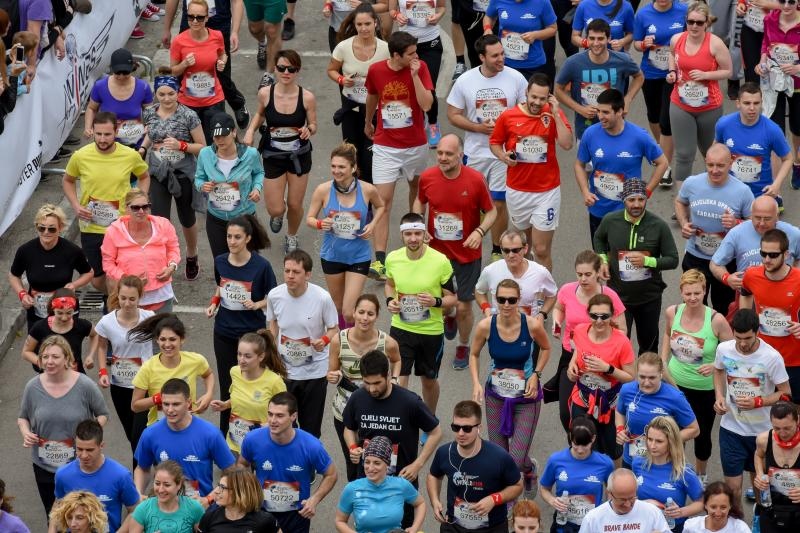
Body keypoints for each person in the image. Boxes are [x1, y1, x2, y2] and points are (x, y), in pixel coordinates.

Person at [413, 134, 497, 368]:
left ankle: (463, 344)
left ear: (461, 154)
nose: (443, 158)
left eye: (449, 154)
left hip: (467, 254)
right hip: (437, 254)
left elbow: (491, 212)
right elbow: (419, 202)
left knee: (463, 305)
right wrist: (420, 224)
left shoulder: (475, 180)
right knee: (444, 302)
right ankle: (448, 316)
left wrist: (479, 232)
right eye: (439, 153)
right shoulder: (428, 177)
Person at [446, 34, 528, 257]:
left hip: (503, 153)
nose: (501, 58)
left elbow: (526, 112)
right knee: (470, 202)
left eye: (502, 53)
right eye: (495, 56)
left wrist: (508, 128)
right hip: (476, 153)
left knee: (499, 204)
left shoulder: (516, 78)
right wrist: (478, 128)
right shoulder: (466, 81)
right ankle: (467, 247)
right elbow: (453, 114)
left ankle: (495, 251)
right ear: (482, 57)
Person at [342, 350, 442, 529]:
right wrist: (352, 447)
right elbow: (349, 428)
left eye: (377, 383)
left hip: (401, 479)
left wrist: (417, 465)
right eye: (367, 383)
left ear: (388, 375)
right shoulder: (358, 397)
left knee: (403, 526)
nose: (372, 389)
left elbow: (436, 432)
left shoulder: (409, 401)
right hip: (368, 477)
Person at [469, 279, 551, 494]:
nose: (506, 304)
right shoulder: (486, 326)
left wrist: (536, 375)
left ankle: (525, 473)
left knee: (515, 458)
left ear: (519, 300)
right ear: (496, 299)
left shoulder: (531, 324)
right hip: (496, 395)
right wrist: (476, 382)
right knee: (499, 454)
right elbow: (474, 353)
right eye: (501, 299)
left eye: (511, 300)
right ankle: (513, 494)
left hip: (526, 397)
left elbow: (546, 348)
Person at [364, 31, 434, 280]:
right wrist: (368, 121)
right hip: (386, 146)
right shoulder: (376, 71)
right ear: (396, 55)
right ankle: (380, 261)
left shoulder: (421, 68)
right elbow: (372, 95)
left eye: (416, 52)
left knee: (417, 192)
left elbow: (426, 104)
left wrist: (415, 75)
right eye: (411, 54)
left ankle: (415, 244)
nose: (416, 56)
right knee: (383, 201)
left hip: (416, 145)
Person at [488, 73, 573, 270]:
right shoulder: (508, 116)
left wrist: (556, 112)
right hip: (518, 191)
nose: (537, 102)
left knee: (541, 249)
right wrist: (503, 156)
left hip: (547, 192)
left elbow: (567, 144)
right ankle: (527, 287)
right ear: (526, 93)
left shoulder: (552, 113)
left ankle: (545, 296)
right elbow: (494, 142)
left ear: (549, 97)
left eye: (542, 98)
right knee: (523, 247)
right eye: (533, 97)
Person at [17, 335, 109, 516]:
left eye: (55, 357)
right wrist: (26, 432)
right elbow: (23, 418)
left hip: (79, 463)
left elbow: (103, 414)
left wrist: (88, 436)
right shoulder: (32, 387)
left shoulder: (84, 384)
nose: (49, 361)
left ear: (67, 358)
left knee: (80, 514)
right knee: (53, 515)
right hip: (44, 464)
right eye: (45, 357)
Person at [62, 111, 150, 295]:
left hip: (122, 225)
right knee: (97, 279)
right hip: (91, 226)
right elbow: (68, 180)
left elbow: (144, 176)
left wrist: (139, 202)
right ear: (92, 131)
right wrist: (76, 206)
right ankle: (119, 300)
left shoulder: (130, 155)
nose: (102, 139)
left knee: (119, 273)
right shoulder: (80, 156)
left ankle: (118, 309)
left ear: (116, 132)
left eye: (107, 134)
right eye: (98, 134)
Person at [205, 215, 277, 437]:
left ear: (248, 238)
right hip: (224, 331)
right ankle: (227, 436)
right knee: (229, 384)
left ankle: (258, 433)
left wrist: (257, 303)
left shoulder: (261, 266)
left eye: (237, 237)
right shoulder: (220, 261)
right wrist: (214, 304)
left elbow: (273, 297)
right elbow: (221, 286)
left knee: (252, 383)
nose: (232, 241)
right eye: (229, 236)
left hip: (250, 335)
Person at [660, 269, 733, 482]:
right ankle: (676, 471)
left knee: (701, 435)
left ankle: (700, 475)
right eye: (688, 293)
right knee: (674, 431)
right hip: (674, 384)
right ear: (681, 292)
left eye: (697, 293)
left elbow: (732, 354)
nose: (692, 298)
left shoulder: (716, 320)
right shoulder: (673, 312)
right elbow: (667, 334)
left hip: (704, 389)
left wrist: (714, 365)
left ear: (704, 291)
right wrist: (663, 360)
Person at [713, 308, 791, 507]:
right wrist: (720, 396)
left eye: (747, 337)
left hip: (762, 433)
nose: (743, 343)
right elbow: (718, 370)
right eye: (738, 337)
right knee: (733, 489)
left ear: (757, 332)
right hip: (731, 429)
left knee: (760, 485)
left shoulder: (771, 357)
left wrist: (759, 402)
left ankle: (759, 520)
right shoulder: (724, 349)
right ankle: (737, 525)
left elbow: (786, 393)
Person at [594, 178, 679, 354]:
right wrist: (602, 260)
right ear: (623, 199)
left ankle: (647, 380)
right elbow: (599, 238)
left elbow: (673, 259)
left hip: (649, 298)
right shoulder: (611, 221)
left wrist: (647, 261)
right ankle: (621, 380)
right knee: (617, 345)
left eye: (641, 199)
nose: (637, 204)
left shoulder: (658, 226)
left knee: (648, 347)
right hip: (619, 297)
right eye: (631, 199)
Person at [244, 49, 317, 253]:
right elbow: (259, 114)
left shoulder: (307, 97)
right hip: (273, 154)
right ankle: (278, 213)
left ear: (297, 71)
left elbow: (314, 124)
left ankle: (291, 236)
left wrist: (308, 129)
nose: (286, 72)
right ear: (275, 69)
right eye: (282, 68)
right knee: (275, 208)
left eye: (291, 69)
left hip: (298, 155)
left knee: (295, 204)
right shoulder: (265, 93)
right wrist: (250, 131)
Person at [306, 142, 386, 328]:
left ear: (354, 168)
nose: (336, 170)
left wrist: (372, 224)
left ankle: (352, 339)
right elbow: (309, 218)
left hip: (358, 256)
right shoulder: (323, 190)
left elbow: (381, 206)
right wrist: (320, 223)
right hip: (332, 255)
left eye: (341, 167)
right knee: (338, 306)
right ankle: (343, 344)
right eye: (333, 166)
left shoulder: (367, 190)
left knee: (349, 311)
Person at [384, 212, 456, 414]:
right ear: (402, 235)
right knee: (398, 378)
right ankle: (401, 421)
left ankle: (429, 418)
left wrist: (435, 301)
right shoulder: (393, 259)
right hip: (401, 327)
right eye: (408, 234)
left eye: (417, 233)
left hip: (430, 331)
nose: (413, 238)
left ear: (425, 234)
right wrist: (390, 301)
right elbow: (389, 285)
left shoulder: (440, 261)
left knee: (429, 380)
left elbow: (452, 298)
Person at [548, 249, 626, 433]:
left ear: (598, 273)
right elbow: (558, 308)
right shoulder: (567, 290)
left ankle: (595, 447)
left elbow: (623, 330)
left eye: (588, 274)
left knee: (599, 411)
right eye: (579, 274)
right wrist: (557, 320)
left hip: (601, 360)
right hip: (571, 356)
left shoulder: (610, 296)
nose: (583, 279)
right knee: (567, 413)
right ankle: (577, 445)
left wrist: (604, 342)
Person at [238, 392, 338, 533]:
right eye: (270, 414)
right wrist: (247, 490)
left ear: (293, 416)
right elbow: (242, 464)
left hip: (296, 515)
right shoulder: (253, 439)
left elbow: (331, 474)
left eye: (279, 415)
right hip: (261, 511)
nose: (273, 420)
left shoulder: (311, 446)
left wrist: (314, 500)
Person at [575, 88, 668, 240]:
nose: (600, 116)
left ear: (619, 111)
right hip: (599, 209)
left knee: (625, 260)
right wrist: (585, 191)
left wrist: (648, 191)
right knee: (602, 259)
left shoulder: (639, 136)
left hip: (628, 211)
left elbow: (662, 163)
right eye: (599, 111)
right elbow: (579, 164)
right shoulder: (590, 134)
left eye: (606, 112)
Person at [327, 294, 402, 481]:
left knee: (376, 459)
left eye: (370, 313)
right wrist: (333, 375)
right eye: (361, 312)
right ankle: (357, 501)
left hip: (375, 409)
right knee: (353, 459)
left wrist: (393, 379)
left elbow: (397, 359)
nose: (364, 318)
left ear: (377, 316)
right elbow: (332, 371)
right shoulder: (339, 340)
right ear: (353, 313)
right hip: (344, 408)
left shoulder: (386, 342)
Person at [140, 72, 206, 279]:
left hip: (183, 172)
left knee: (187, 218)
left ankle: (192, 253)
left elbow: (203, 147)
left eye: (171, 93)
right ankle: (163, 260)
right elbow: (150, 135)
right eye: (162, 94)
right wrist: (143, 148)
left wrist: (182, 145)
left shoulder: (189, 115)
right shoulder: (149, 113)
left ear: (178, 92)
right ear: (155, 94)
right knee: (159, 220)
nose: (166, 98)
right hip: (158, 171)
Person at [266, 249, 338, 438]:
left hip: (314, 372)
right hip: (285, 371)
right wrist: (270, 347)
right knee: (284, 424)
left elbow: (333, 328)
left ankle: (309, 465)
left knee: (311, 429)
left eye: (296, 272)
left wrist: (323, 341)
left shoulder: (322, 298)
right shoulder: (274, 295)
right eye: (287, 271)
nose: (290, 276)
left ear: (307, 274)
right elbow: (273, 323)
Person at [674, 143, 754, 314]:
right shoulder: (692, 183)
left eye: (720, 165)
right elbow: (680, 201)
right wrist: (684, 222)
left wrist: (736, 223)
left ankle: (722, 341)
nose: (715, 170)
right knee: (693, 307)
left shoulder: (742, 191)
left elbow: (754, 223)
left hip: (726, 261)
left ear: (731, 162)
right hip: (695, 258)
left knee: (724, 310)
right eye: (710, 165)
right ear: (705, 162)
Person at [427, 400, 523, 532]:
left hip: (492, 527)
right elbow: (434, 475)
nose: (460, 433)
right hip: (454, 525)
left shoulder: (499, 457)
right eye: (456, 427)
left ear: (479, 428)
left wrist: (494, 499)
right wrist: (435, 500)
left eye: (467, 428)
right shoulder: (444, 452)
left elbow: (517, 486)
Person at [134, 379, 236, 500]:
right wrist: (138, 493)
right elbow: (142, 469)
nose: (170, 410)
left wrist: (209, 499)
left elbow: (231, 472)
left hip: (200, 510)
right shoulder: (150, 434)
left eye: (176, 404)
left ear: (188, 403)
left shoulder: (210, 434)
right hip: (164, 508)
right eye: (166, 404)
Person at [666, 1, 732, 185]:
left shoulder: (716, 44)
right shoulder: (676, 39)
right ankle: (682, 203)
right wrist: (672, 72)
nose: (694, 26)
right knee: (684, 154)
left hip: (709, 107)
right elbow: (672, 55)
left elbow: (728, 71)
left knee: (710, 154)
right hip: (680, 104)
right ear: (686, 21)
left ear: (707, 24)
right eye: (690, 21)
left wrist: (706, 74)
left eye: (699, 23)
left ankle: (710, 194)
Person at [161, 0, 251, 131]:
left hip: (219, 21)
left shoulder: (217, 35)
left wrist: (235, 31)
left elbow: (237, 2)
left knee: (221, 76)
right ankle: (188, 117)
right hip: (192, 18)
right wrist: (166, 29)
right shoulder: (185, 31)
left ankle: (237, 103)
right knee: (183, 75)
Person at [567, 294, 635, 461]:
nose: (598, 321)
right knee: (583, 443)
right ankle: (589, 483)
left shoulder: (621, 341)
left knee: (613, 451)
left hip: (609, 403)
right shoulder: (580, 330)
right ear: (588, 314)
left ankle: (614, 485)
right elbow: (577, 351)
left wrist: (608, 368)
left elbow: (631, 377)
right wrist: (572, 366)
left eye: (604, 316)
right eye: (594, 316)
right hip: (582, 398)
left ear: (612, 316)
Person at [327, 4, 391, 184]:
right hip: (351, 109)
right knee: (351, 156)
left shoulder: (386, 49)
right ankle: (353, 198)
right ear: (354, 25)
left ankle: (369, 201)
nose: (364, 28)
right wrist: (341, 80)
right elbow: (331, 70)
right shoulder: (343, 47)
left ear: (376, 24)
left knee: (370, 157)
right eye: (360, 24)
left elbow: (394, 74)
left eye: (368, 24)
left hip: (377, 111)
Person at [94, 275, 155, 456]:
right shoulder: (107, 322)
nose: (127, 303)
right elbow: (102, 346)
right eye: (123, 298)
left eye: (132, 299)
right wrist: (103, 371)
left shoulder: (149, 318)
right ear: (117, 296)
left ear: (140, 298)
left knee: (139, 436)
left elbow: (164, 341)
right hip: (120, 386)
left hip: (145, 386)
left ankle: (140, 477)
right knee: (131, 435)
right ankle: (146, 464)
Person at [555, 19, 643, 142]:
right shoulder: (573, 63)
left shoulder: (622, 60)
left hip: (615, 128)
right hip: (585, 129)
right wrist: (580, 109)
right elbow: (558, 90)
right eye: (592, 38)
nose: (596, 43)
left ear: (608, 38)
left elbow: (639, 76)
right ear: (587, 39)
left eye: (600, 39)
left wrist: (627, 99)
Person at [8, 203, 92, 332]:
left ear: (61, 228)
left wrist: (74, 285)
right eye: (42, 228)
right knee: (39, 349)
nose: (46, 232)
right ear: (37, 227)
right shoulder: (26, 250)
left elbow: (88, 273)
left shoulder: (71, 250)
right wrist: (22, 294)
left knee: (67, 349)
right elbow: (14, 275)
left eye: (52, 229)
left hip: (65, 312)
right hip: (37, 313)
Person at [195, 111, 264, 262]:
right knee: (221, 262)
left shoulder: (250, 154)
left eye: (223, 135)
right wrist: (202, 186)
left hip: (244, 217)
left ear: (233, 132)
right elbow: (199, 178)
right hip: (216, 219)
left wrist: (257, 188)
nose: (219, 140)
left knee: (250, 262)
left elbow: (258, 172)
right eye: (215, 136)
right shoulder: (205, 154)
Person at [740, 229, 800, 403]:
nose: (767, 259)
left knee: (792, 413)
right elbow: (745, 292)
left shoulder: (798, 279)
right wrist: (746, 318)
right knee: (761, 408)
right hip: (761, 356)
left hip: (793, 361)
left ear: (786, 254)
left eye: (773, 255)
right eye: (763, 254)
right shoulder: (752, 275)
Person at [101, 188, 181, 312]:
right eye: (135, 208)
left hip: (161, 296)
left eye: (145, 206)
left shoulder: (164, 225)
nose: (141, 211)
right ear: (126, 208)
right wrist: (130, 281)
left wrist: (172, 267)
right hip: (129, 297)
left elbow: (173, 249)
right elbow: (108, 264)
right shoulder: (113, 231)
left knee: (161, 331)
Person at [209, 330, 287, 455]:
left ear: (261, 356)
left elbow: (286, 413)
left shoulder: (274, 381)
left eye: (247, 356)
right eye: (239, 354)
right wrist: (226, 405)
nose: (241, 360)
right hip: (235, 444)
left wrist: (268, 425)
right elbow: (240, 398)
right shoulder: (234, 372)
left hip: (263, 445)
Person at [53, 420, 139, 533]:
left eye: (89, 450)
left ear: (101, 445)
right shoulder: (63, 474)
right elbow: (58, 507)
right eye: (79, 449)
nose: (83, 455)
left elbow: (135, 510)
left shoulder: (120, 475)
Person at [633, 0, 688, 178]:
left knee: (666, 119)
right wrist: (643, 44)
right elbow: (635, 43)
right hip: (650, 72)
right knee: (654, 115)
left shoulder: (684, 11)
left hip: (674, 73)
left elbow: (694, 35)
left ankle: (664, 165)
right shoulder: (643, 14)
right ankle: (661, 144)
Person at [616, 353, 699, 469]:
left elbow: (694, 429)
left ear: (661, 375)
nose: (646, 382)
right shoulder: (627, 390)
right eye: (642, 377)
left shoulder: (675, 397)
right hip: (632, 459)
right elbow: (620, 411)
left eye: (652, 378)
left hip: (662, 463)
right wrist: (619, 429)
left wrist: (665, 441)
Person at [130, 313, 215, 426]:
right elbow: (135, 406)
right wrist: (159, 398)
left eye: (172, 339)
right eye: (163, 339)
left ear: (182, 339)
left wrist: (208, 394)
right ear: (157, 340)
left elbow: (208, 374)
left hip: (189, 426)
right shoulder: (148, 368)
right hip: (160, 429)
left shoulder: (195, 360)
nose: (167, 344)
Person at [714, 83, 792, 201]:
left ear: (761, 103)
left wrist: (776, 185)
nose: (752, 108)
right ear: (738, 103)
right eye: (747, 103)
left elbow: (788, 159)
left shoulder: (772, 129)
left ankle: (776, 202)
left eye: (756, 103)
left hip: (760, 195)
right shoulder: (724, 124)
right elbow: (714, 151)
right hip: (730, 192)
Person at [540, 416, 615, 533]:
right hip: (564, 523)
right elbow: (544, 489)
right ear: (570, 437)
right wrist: (552, 501)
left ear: (593, 439)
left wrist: (607, 511)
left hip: (592, 524)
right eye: (576, 444)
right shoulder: (556, 460)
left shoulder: (605, 463)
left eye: (585, 445)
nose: (580, 450)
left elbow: (612, 491)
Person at [337, 435, 426, 533]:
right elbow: (340, 521)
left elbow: (420, 503)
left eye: (377, 463)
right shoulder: (352, 489)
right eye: (367, 462)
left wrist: (415, 527)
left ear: (387, 464)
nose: (370, 468)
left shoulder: (401, 485)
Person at [710, 196, 800, 292]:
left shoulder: (793, 233)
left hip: (784, 293)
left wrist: (795, 277)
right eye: (757, 218)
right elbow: (715, 264)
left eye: (767, 219)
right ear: (751, 215)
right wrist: (727, 278)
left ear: (777, 216)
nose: (761, 223)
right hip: (748, 295)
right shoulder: (737, 233)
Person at [388, 0, 447, 146]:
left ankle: (433, 123)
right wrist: (397, 16)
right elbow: (391, 10)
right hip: (405, 45)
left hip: (430, 42)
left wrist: (438, 17)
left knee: (428, 86)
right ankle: (414, 122)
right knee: (407, 86)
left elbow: (442, 8)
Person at [631, 416, 705, 531]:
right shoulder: (638, 462)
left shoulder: (684, 471)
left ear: (671, 442)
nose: (652, 445)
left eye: (659, 441)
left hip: (672, 528)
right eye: (650, 439)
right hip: (642, 526)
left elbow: (702, 502)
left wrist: (680, 512)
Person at [169, 0, 227, 144]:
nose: (195, 21)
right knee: (190, 146)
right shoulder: (179, 41)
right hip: (188, 103)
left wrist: (222, 62)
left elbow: (222, 54)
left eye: (200, 17)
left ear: (207, 17)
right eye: (190, 16)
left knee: (216, 143)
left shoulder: (217, 36)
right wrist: (184, 64)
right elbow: (173, 71)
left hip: (213, 100)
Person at [757, 0, 800, 190]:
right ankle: (774, 188)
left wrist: (798, 68)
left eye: (792, 0)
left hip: (798, 84)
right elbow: (766, 45)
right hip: (774, 83)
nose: (787, 4)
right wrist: (762, 62)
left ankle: (797, 163)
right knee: (775, 131)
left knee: (797, 130)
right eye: (783, 0)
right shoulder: (769, 19)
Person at [83, 48, 153, 148]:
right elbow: (91, 108)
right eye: (117, 73)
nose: (121, 76)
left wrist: (148, 128)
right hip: (106, 143)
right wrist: (88, 127)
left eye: (125, 73)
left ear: (132, 68)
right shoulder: (100, 86)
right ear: (112, 69)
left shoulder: (143, 87)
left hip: (133, 143)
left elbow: (150, 113)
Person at [22, 289, 97, 375]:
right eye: (59, 313)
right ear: (53, 309)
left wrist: (91, 355)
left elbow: (95, 334)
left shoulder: (81, 325)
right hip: (49, 378)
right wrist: (42, 363)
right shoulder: (40, 327)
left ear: (74, 310)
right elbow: (26, 352)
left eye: (69, 313)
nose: (64, 318)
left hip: (75, 377)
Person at [753, 402, 800, 532]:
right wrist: (759, 474)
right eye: (777, 428)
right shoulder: (763, 439)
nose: (782, 433)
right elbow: (758, 455)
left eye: (787, 428)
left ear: (797, 421)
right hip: (772, 505)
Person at [578, 469, 671, 533]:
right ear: (609, 493)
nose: (627, 504)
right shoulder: (593, 518)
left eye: (632, 498)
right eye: (622, 499)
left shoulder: (652, 512)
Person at [483, 0, 557, 80]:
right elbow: (489, 16)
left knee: (528, 92)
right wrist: (487, 29)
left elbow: (553, 29)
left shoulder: (542, 2)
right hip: (504, 62)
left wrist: (535, 35)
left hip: (532, 65)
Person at [197, 466, 281, 532]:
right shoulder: (209, 517)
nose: (216, 492)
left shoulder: (265, 520)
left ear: (240, 492)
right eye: (218, 485)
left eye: (222, 487)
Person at [130, 460, 205, 533]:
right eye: (157, 483)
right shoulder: (142, 510)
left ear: (178, 485)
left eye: (167, 485)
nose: (161, 490)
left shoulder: (194, 508)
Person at [682, 481, 750, 533]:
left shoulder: (741, 529)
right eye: (713, 507)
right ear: (705, 505)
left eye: (723, 507)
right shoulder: (691, 527)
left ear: (730, 506)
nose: (718, 513)